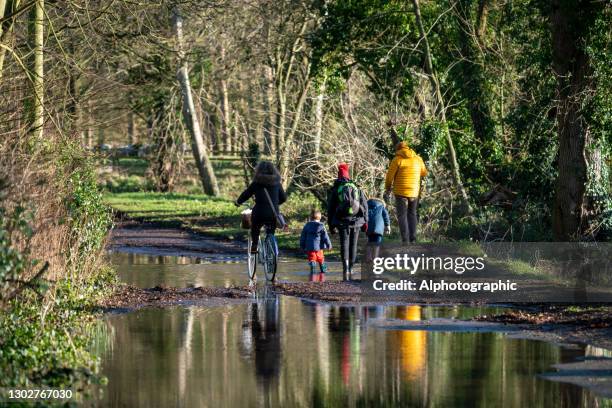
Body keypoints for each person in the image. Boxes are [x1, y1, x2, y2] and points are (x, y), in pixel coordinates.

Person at [327, 163, 368, 281]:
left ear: (339, 175)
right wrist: (366, 222)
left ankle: (345, 269)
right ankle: (351, 267)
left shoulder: (336, 189)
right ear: (348, 174)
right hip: (357, 221)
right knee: (353, 244)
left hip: (341, 221)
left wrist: (331, 224)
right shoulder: (356, 187)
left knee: (344, 244)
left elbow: (330, 209)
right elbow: (364, 205)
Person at [235, 161, 286, 253]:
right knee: (270, 230)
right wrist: (275, 203)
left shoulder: (256, 183)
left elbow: (246, 194)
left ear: (258, 171)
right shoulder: (277, 183)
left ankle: (254, 245)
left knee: (255, 226)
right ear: (273, 171)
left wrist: (238, 202)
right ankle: (271, 247)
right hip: (273, 213)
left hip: (259, 213)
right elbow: (283, 198)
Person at [384, 142, 427, 243]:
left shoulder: (397, 160)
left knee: (402, 215)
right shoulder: (418, 159)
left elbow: (389, 177)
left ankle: (405, 239)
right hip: (414, 191)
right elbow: (424, 172)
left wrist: (388, 188)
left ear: (398, 149)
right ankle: (413, 239)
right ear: (408, 147)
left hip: (400, 191)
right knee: (412, 214)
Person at [300, 209, 332, 281]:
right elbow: (325, 237)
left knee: (312, 259)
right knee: (321, 258)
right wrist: (329, 245)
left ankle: (313, 271)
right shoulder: (321, 226)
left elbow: (303, 236)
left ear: (311, 217)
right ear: (320, 218)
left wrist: (302, 245)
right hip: (319, 247)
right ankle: (323, 270)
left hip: (310, 247)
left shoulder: (307, 226)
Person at [365, 197, 391, 261]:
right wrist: (387, 225)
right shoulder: (381, 206)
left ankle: (368, 257)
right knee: (377, 243)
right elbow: (386, 216)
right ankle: (375, 257)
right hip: (379, 228)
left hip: (369, 227)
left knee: (370, 241)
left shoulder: (366, 206)